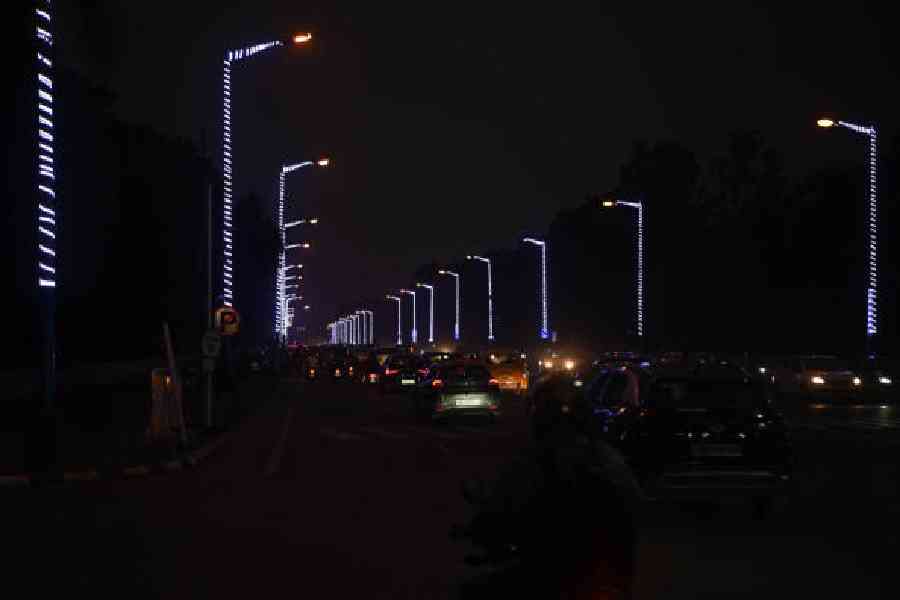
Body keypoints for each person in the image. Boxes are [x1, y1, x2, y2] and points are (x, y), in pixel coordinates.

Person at [459, 373, 642, 599]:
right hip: (603, 574)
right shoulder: (606, 456)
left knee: (473, 590)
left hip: (559, 575)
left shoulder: (536, 459)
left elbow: (507, 505)